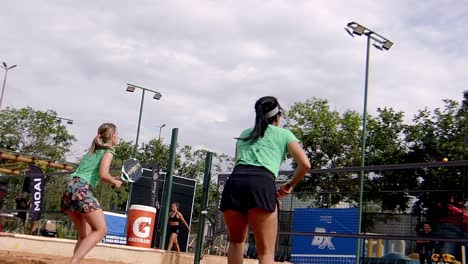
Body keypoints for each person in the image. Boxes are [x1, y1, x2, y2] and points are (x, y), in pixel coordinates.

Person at [220, 96, 311, 264]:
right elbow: (305, 164)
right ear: (278, 116)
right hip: (261, 184)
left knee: (236, 241)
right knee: (266, 252)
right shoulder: (284, 134)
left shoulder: (245, 134)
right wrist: (290, 185)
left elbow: (240, 162)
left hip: (235, 183)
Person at [61, 123, 122, 264]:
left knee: (85, 236)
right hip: (81, 189)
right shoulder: (109, 151)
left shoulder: (92, 151)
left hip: (69, 189)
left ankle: (75, 261)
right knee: (101, 230)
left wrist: (112, 179)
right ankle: (73, 262)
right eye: (117, 133)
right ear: (112, 135)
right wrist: (115, 182)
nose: (118, 136)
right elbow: (102, 174)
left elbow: (95, 173)